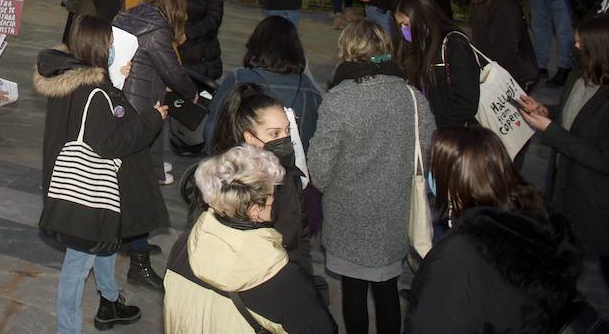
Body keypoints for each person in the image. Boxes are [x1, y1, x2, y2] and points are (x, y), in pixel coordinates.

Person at [36, 15, 165, 333]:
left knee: (105, 239)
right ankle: (68, 328)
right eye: (109, 44)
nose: (113, 50)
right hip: (85, 193)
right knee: (76, 267)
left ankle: (109, 301)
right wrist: (151, 119)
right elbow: (111, 143)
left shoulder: (70, 76)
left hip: (71, 185)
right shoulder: (93, 91)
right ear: (97, 48)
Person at [308, 20, 435, 334]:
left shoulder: (339, 99)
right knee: (388, 289)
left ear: (348, 51)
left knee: (353, 291)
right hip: (395, 212)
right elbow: (428, 151)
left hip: (349, 216)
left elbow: (320, 170)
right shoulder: (412, 97)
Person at [406, 125, 582, 333]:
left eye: (434, 169)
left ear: (452, 181)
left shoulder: (457, 256)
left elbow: (432, 322)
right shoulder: (539, 220)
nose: (430, 176)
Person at [163, 146, 336, 334]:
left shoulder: (184, 246)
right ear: (254, 211)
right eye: (271, 198)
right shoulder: (279, 276)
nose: (275, 204)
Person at [518, 14, 609, 286]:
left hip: (595, 201)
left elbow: (603, 160)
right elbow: (574, 115)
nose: (574, 47)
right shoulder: (579, 78)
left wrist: (550, 131)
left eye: (581, 43)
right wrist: (548, 112)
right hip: (566, 190)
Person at [199, 83, 313, 282]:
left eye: (287, 130)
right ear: (250, 138)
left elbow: (300, 236)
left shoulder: (289, 176)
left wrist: (303, 279)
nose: (286, 139)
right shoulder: (227, 187)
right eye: (274, 134)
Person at [118, 0, 197, 195]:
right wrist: (192, 94)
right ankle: (150, 176)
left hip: (122, 84)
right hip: (140, 91)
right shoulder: (157, 30)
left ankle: (154, 171)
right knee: (148, 132)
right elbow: (173, 72)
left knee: (139, 134)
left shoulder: (130, 14)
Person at [206, 15, 325, 149]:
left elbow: (213, 127)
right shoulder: (308, 88)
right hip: (293, 166)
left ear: (256, 44)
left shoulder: (239, 79)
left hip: (243, 164)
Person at [392, 0, 480, 130]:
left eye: (406, 24)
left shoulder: (454, 45)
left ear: (422, 17)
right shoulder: (416, 44)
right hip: (428, 128)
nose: (403, 30)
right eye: (400, 25)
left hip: (449, 132)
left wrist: (437, 125)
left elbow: (467, 103)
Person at [470, 0, 539, 89]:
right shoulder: (505, 4)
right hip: (504, 80)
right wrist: (528, 74)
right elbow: (505, 50)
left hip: (494, 73)